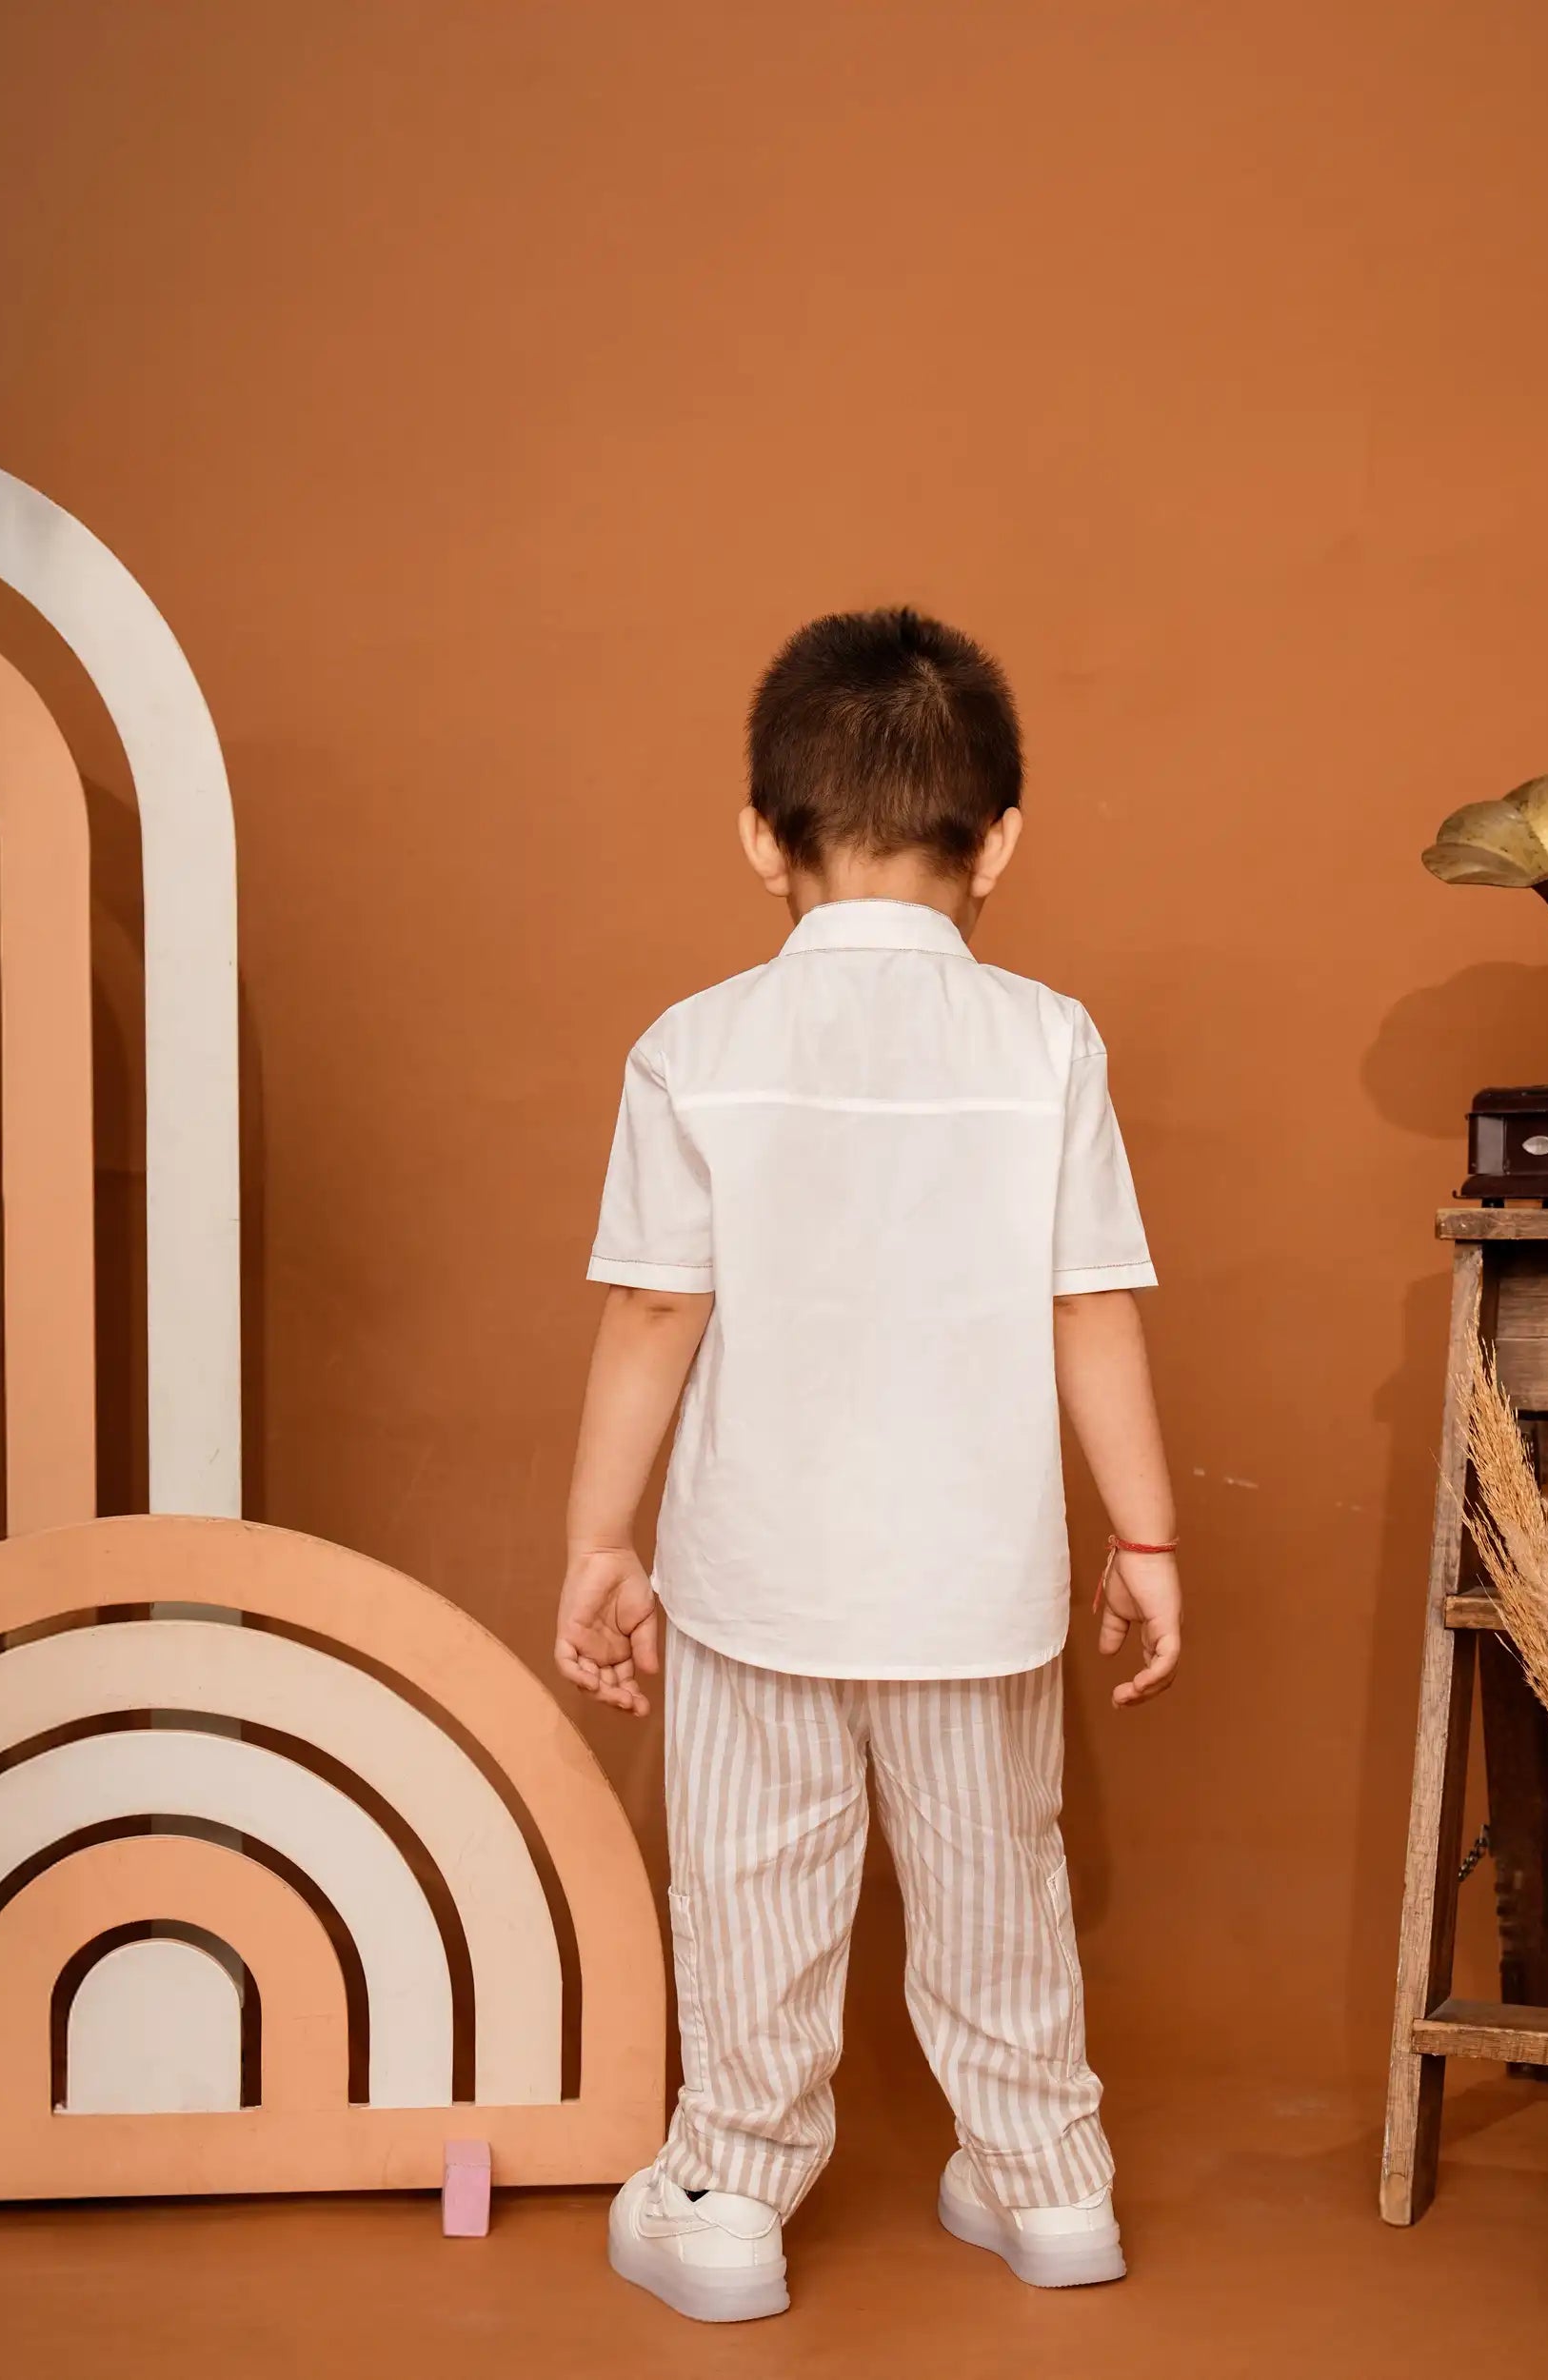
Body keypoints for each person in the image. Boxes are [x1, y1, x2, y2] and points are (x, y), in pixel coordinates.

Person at [556, 606, 1181, 2325]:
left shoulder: (694, 1047)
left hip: (760, 1579)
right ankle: (1050, 2183)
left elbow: (652, 1318)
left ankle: (733, 2197)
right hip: (978, 1582)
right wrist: (1148, 1542)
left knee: (753, 1886)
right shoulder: (1048, 1043)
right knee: (998, 1885)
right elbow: (1093, 1309)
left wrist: (599, 1542)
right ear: (999, 844)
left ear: (762, 836)